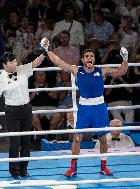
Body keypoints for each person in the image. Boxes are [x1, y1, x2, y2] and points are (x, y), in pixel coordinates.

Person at [40, 37, 128, 177]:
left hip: (99, 107)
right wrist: (47, 49)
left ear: (94, 59)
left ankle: (104, 167)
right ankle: (73, 168)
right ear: (82, 60)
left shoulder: (102, 71)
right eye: (86, 56)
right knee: (77, 138)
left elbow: (122, 71)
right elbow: (58, 62)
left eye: (92, 56)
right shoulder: (76, 70)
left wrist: (125, 58)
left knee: (103, 138)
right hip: (84, 108)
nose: (89, 58)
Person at [0, 46, 47, 178]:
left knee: (26, 141)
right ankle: (14, 171)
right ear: (4, 65)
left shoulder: (22, 69)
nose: (15, 64)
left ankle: (23, 170)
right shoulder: (0, 79)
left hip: (26, 109)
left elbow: (35, 63)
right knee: (15, 142)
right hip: (12, 112)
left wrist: (45, 52)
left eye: (15, 61)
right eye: (11, 62)